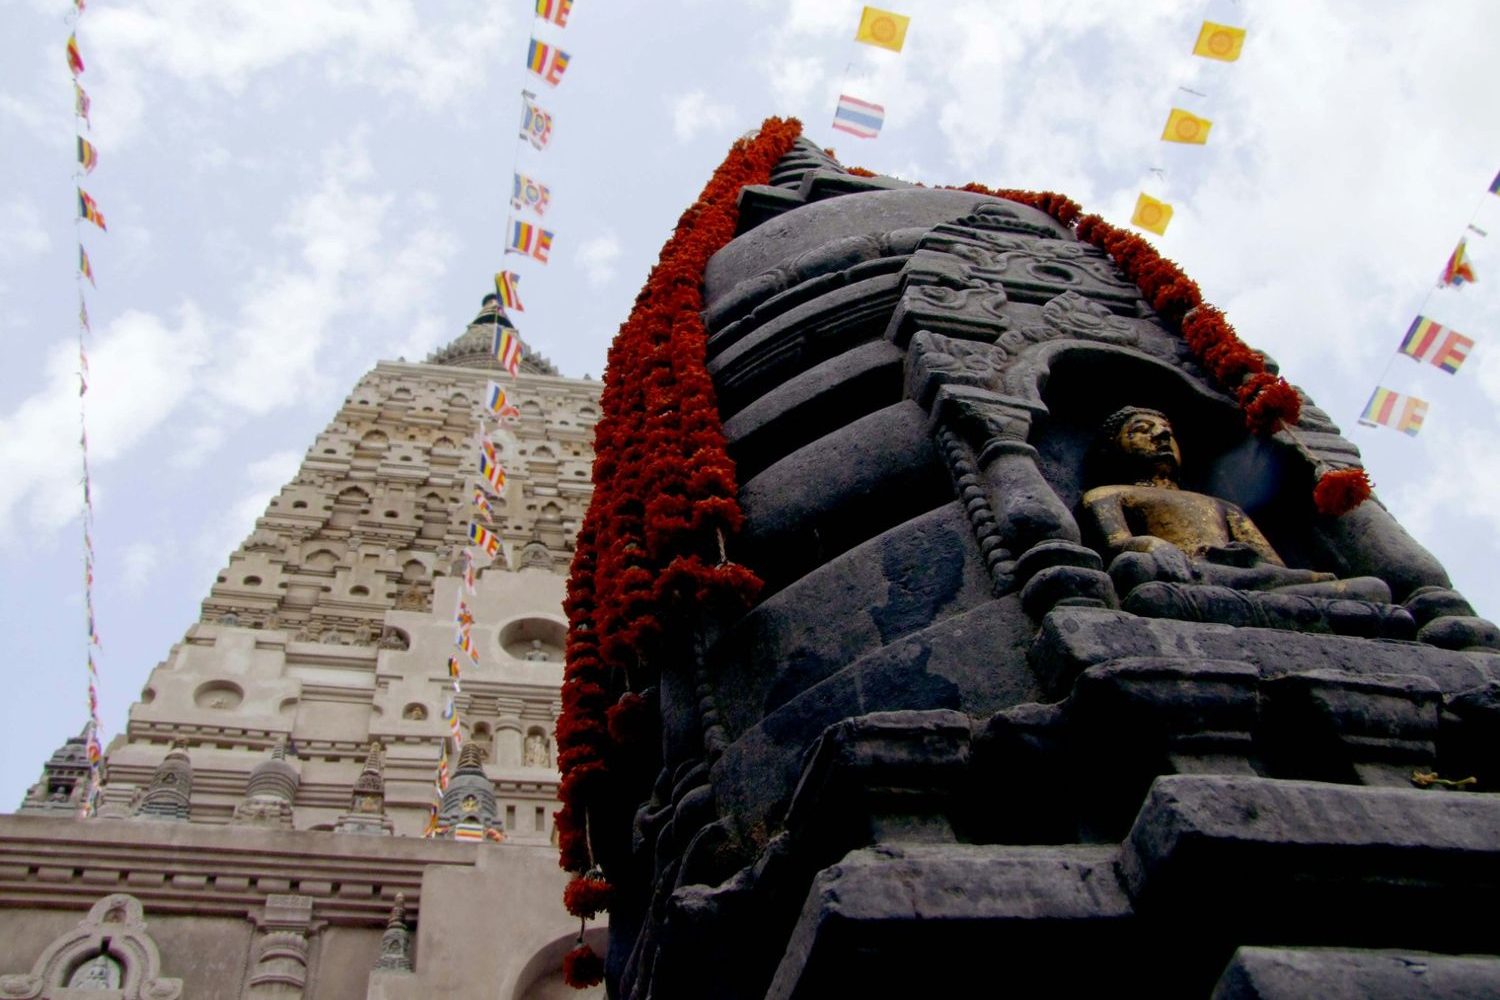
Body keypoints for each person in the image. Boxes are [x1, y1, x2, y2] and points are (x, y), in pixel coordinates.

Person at [1080, 407, 1389, 600]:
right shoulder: (1107, 495)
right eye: (1142, 431)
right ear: (1114, 449)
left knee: (1372, 589)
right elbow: (1116, 545)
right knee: (1135, 570)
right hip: (1178, 575)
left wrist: (1244, 557)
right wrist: (1149, 544)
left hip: (1244, 580)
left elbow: (1272, 567)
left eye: (1168, 433)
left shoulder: (1221, 505)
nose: (1161, 436)